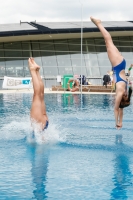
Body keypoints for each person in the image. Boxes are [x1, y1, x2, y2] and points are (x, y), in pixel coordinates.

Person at [90, 17, 132, 129]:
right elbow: (116, 108)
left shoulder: (123, 92)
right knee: (108, 41)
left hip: (121, 63)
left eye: (126, 97)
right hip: (118, 64)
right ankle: (98, 24)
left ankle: (99, 24)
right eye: (127, 97)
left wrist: (120, 122)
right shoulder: (120, 93)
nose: (126, 95)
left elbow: (120, 109)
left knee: (108, 42)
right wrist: (116, 122)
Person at [28, 57, 49, 134]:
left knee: (41, 95)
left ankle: (37, 71)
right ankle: (33, 70)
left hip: (45, 122)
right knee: (37, 95)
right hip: (40, 124)